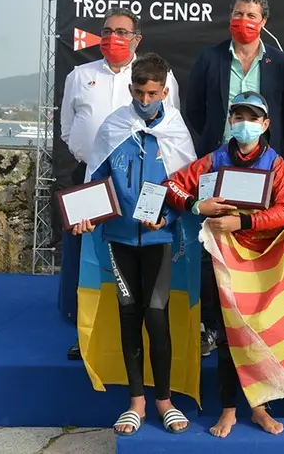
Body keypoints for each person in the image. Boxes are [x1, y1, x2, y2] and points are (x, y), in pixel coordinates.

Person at [71, 53, 194, 436]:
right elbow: (96, 179)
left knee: (157, 316)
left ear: (165, 91)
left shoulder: (176, 130)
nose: (144, 101)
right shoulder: (114, 126)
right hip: (120, 239)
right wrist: (86, 215)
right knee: (129, 315)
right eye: (139, 93)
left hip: (159, 238)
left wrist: (168, 219)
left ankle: (165, 401)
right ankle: (136, 403)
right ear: (130, 90)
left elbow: (184, 189)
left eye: (152, 93)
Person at [165, 91, 284, 439]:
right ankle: (229, 409)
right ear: (230, 122)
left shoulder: (276, 164)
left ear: (265, 124)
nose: (245, 124)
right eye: (238, 117)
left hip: (262, 263)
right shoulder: (214, 159)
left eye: (252, 118)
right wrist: (196, 206)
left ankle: (260, 408)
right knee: (225, 338)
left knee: (258, 337)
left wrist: (244, 223)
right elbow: (170, 186)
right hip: (221, 262)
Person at [185, 0, 284, 355]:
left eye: (251, 16)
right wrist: (221, 143)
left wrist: (264, 143)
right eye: (237, 14)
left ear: (264, 22)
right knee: (211, 245)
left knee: (255, 244)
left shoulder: (280, 63)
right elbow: (195, 109)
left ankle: (253, 325)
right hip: (219, 165)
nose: (243, 21)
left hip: (262, 170)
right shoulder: (210, 58)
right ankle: (208, 326)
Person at [59, 8, 180, 360]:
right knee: (89, 262)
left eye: (122, 32)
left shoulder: (156, 77)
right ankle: (87, 338)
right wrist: (93, 156)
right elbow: (68, 127)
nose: (114, 37)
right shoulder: (79, 76)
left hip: (141, 183)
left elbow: (170, 131)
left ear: (136, 39)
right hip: (93, 178)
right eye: (108, 30)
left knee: (137, 275)